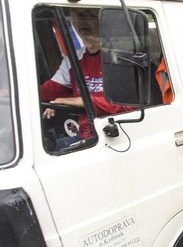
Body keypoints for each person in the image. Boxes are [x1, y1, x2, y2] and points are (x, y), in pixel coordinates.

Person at [40, 9, 134, 148]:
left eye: (88, 15)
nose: (81, 21)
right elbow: (47, 92)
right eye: (76, 16)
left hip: (121, 135)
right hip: (87, 134)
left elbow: (130, 106)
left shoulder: (122, 57)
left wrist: (83, 101)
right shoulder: (73, 59)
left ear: (104, 21)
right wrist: (5, 94)